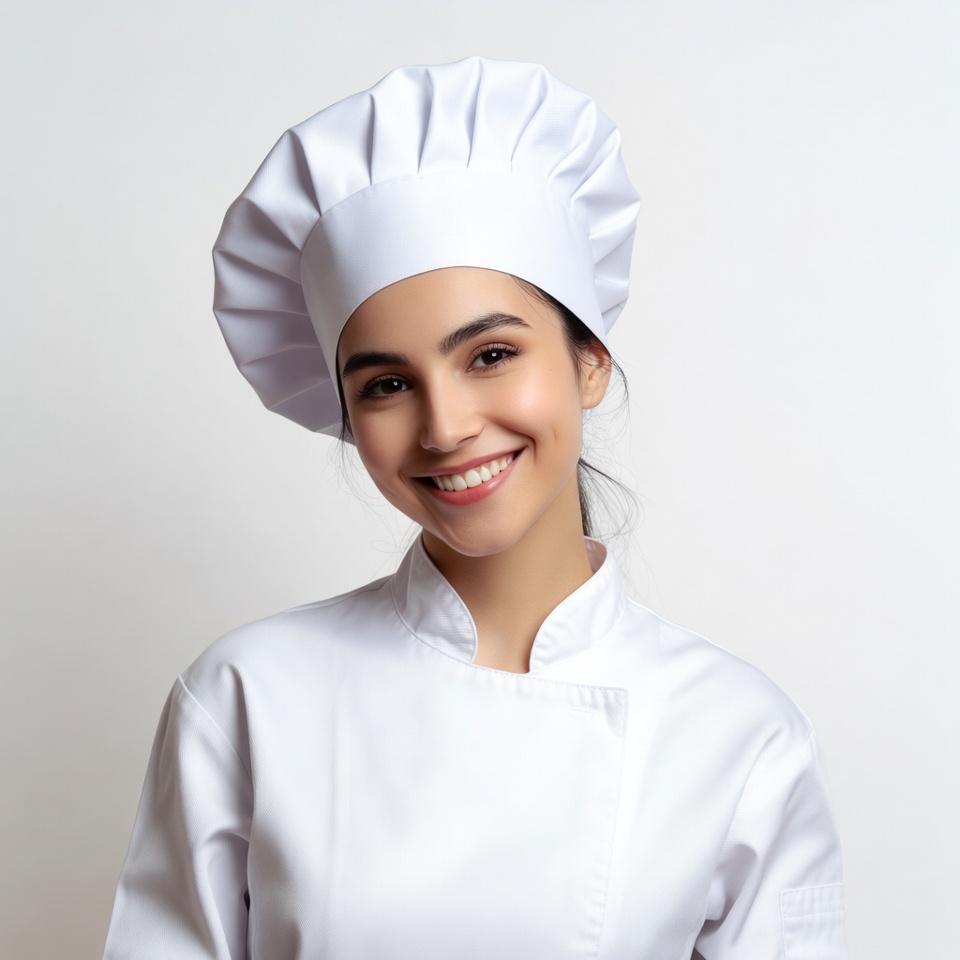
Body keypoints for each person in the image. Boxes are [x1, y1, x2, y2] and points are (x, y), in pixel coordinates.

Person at [102, 58, 847, 959]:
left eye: (490, 355)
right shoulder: (245, 698)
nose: (447, 427)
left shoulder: (740, 735)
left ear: (589, 360)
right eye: (386, 384)